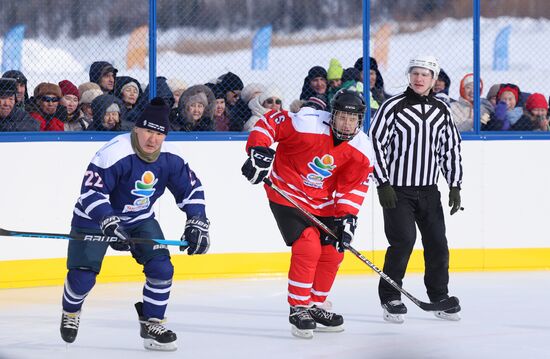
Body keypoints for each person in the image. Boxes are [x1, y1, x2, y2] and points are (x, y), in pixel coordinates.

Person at [59, 97, 210, 351]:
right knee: (82, 278)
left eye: (159, 134)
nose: (153, 140)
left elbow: (190, 189)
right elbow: (91, 193)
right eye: (149, 131)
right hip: (94, 219)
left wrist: (197, 220)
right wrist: (107, 220)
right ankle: (71, 310)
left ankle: (153, 322)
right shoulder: (114, 153)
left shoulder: (172, 157)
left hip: (139, 219)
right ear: (137, 129)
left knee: (162, 269)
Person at [241, 89, 375, 339]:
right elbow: (270, 122)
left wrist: (347, 217)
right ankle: (298, 307)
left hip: (323, 203)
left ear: (360, 121)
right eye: (342, 117)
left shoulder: (362, 149)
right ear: (332, 115)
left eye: (352, 119)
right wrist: (257, 151)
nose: (346, 124)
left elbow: (353, 186)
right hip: (286, 192)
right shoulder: (307, 122)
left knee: (334, 251)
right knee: (308, 245)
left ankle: (315, 304)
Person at [368, 55, 463, 324]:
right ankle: (390, 297)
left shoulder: (442, 110)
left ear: (434, 80)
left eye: (425, 74)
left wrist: (454, 184)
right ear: (409, 76)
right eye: (415, 73)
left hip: (429, 191)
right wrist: (383, 183)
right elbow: (376, 145)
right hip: (397, 191)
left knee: (437, 244)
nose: (419, 79)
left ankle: (438, 296)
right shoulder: (392, 107)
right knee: (403, 241)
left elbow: (450, 148)